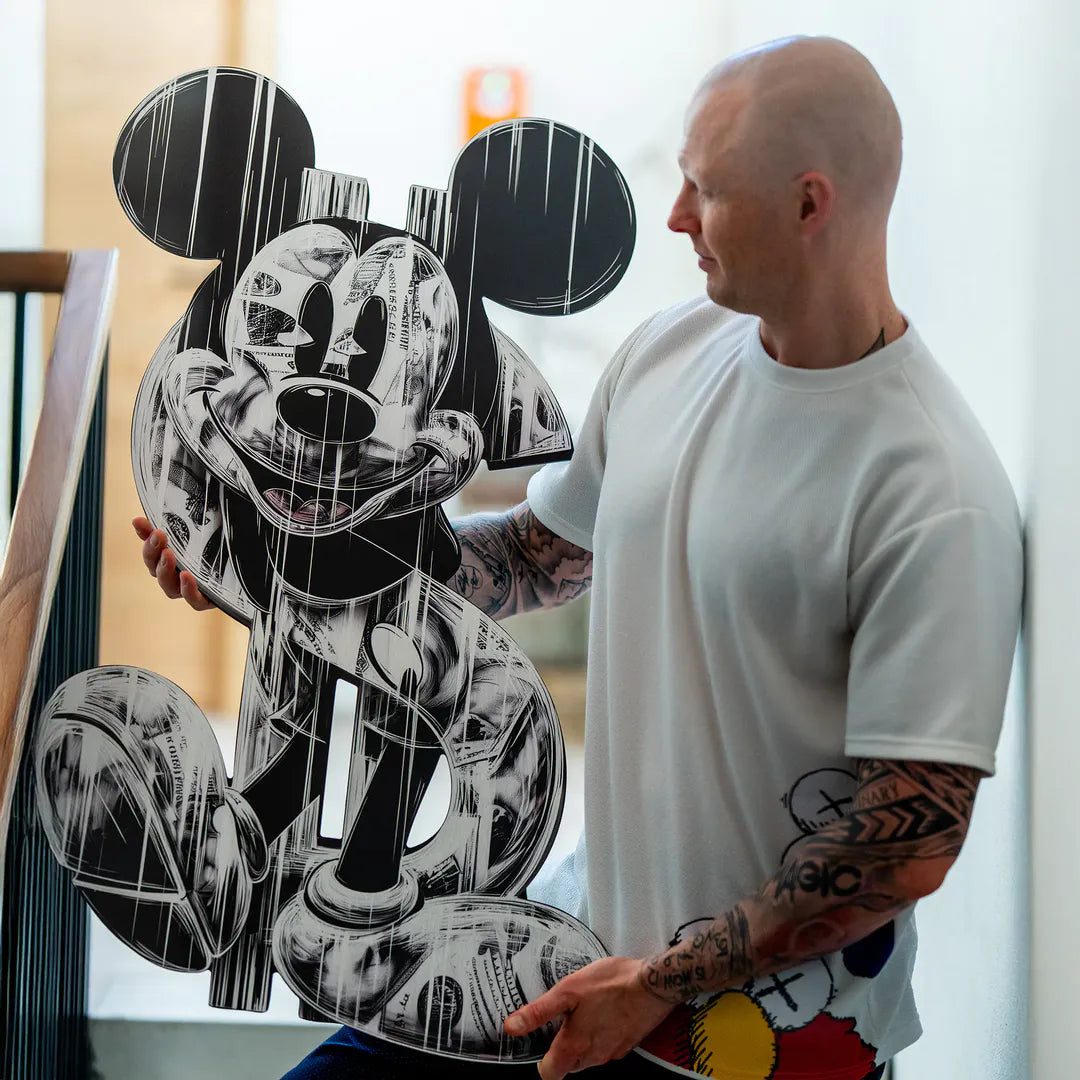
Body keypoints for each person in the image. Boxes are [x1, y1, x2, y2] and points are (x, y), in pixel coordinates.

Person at [135, 35, 1022, 1080]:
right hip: (573, 953)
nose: (676, 217)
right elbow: (532, 555)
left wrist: (661, 984)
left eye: (705, 190)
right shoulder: (667, 355)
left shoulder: (934, 489)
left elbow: (907, 843)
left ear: (808, 204)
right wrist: (283, 576)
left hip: (758, 1049)